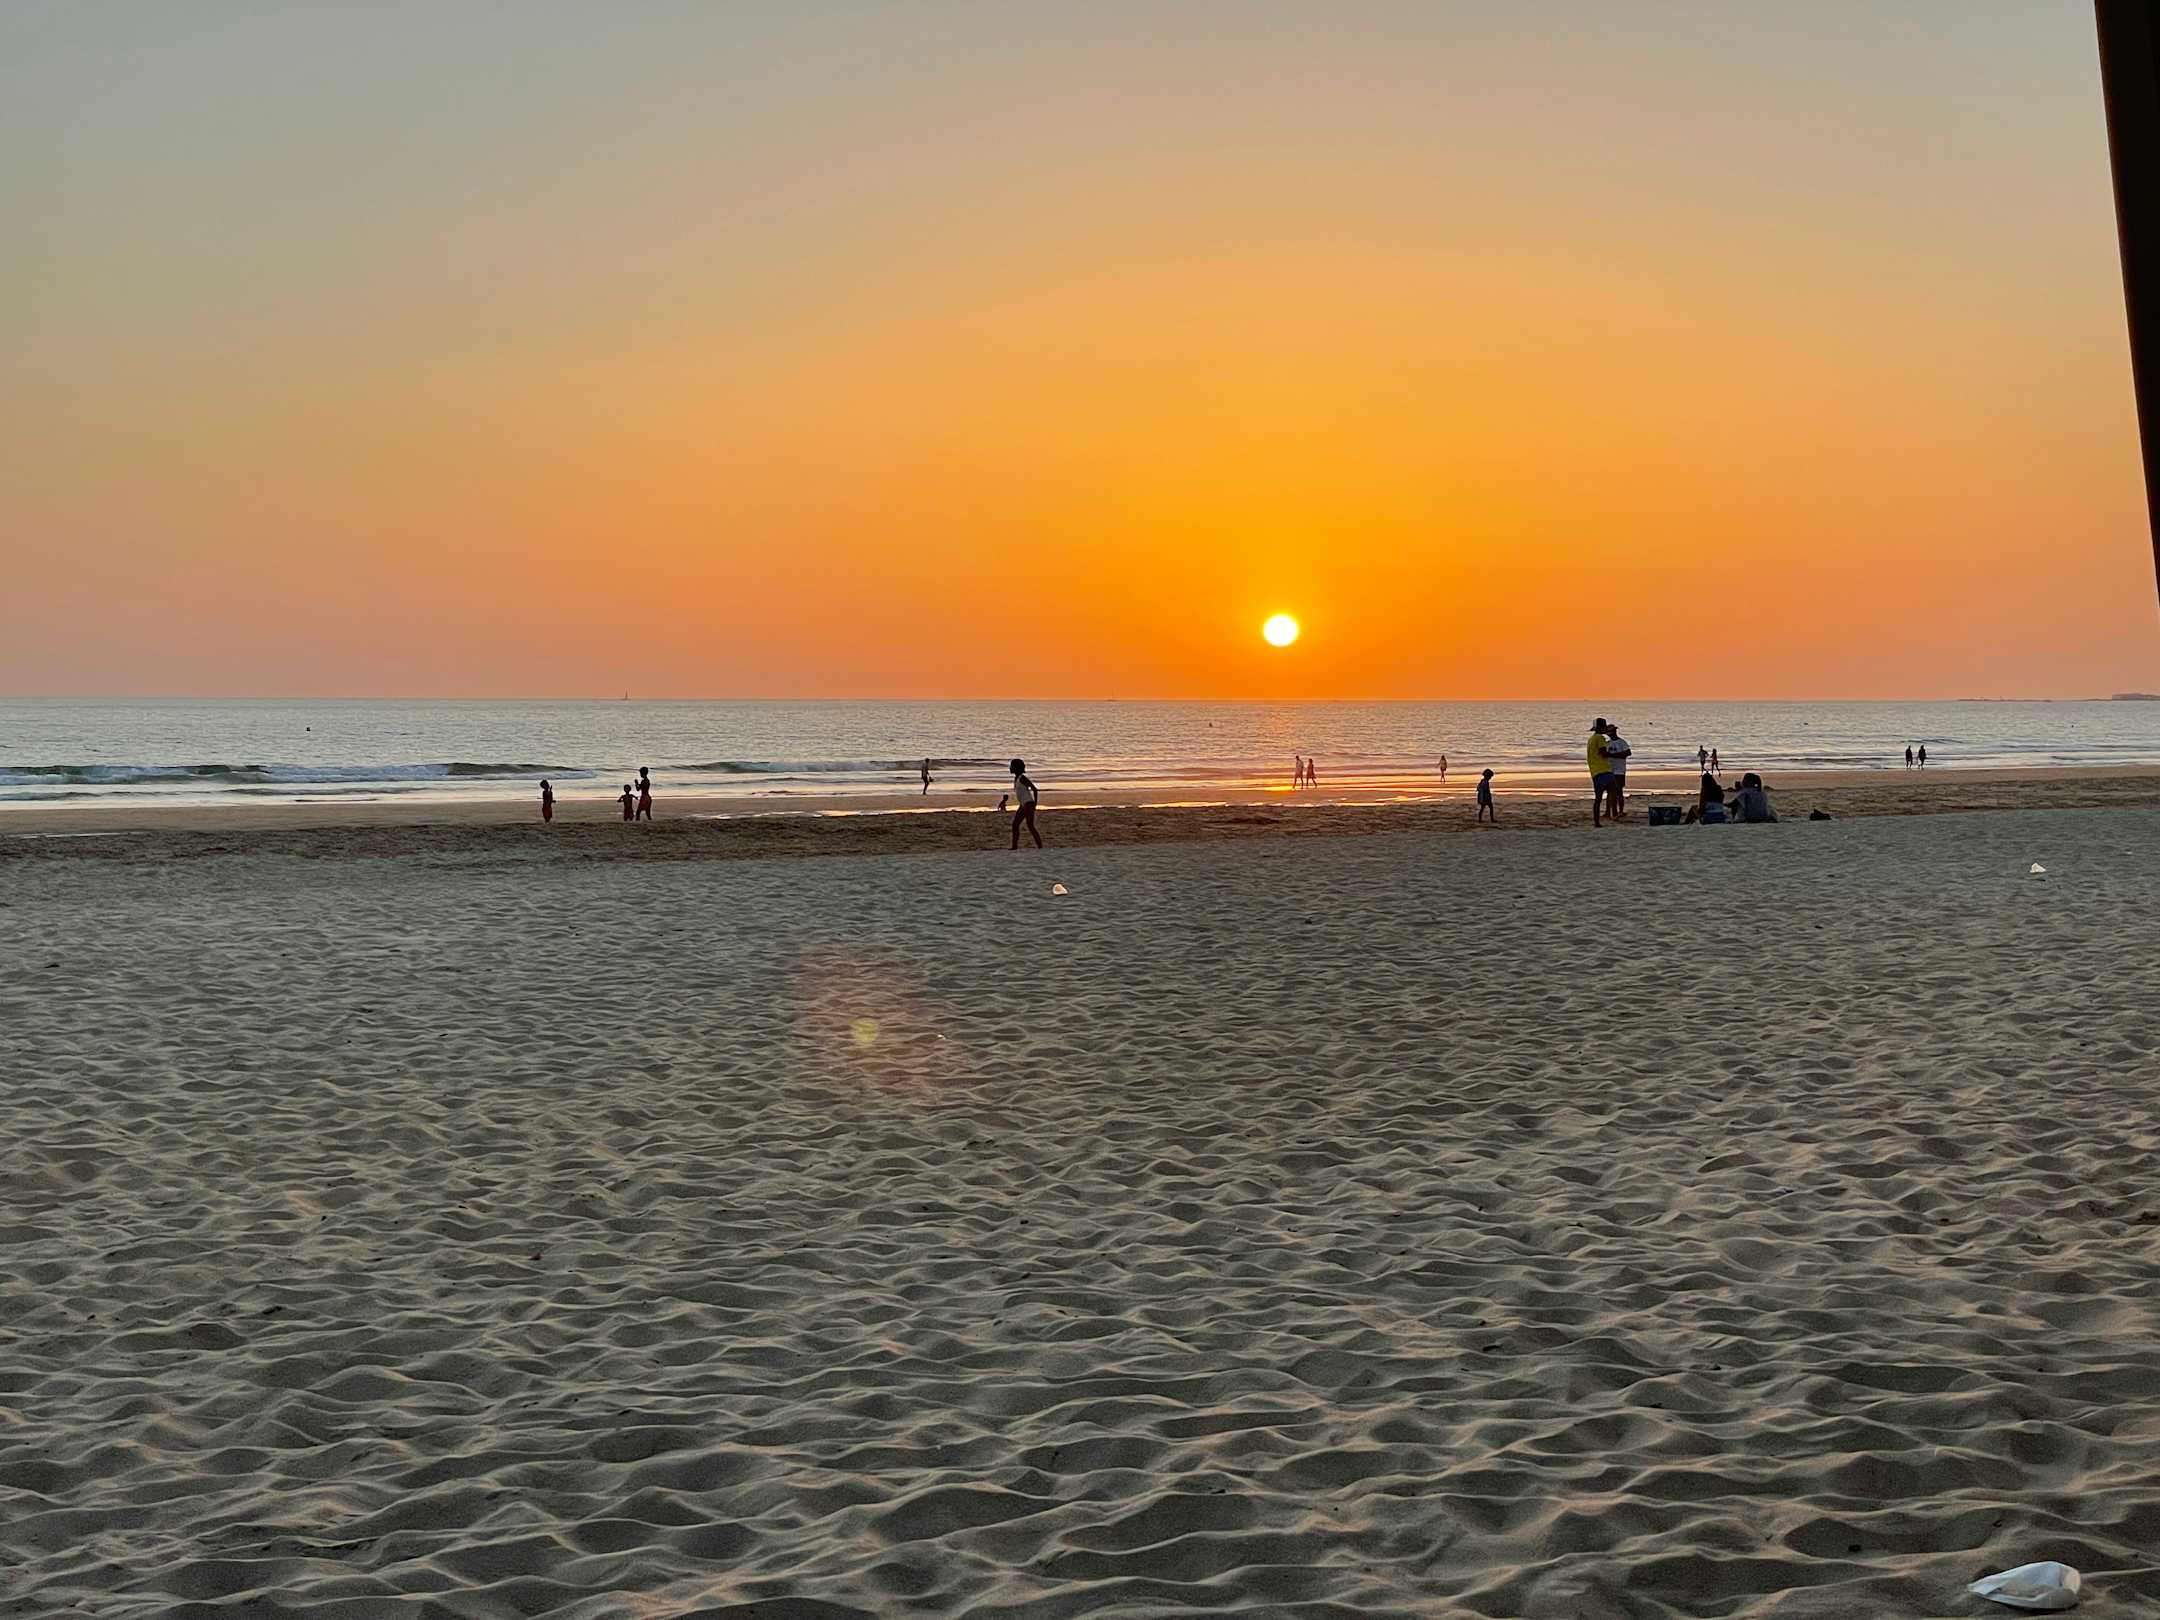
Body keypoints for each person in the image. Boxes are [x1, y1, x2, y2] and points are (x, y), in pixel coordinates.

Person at [1000, 757, 1042, 849]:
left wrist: (1035, 804)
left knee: (1030, 826)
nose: (1010, 768)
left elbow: (1035, 789)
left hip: (1028, 804)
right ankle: (1014, 846)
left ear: (1016, 768)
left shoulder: (1022, 778)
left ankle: (1040, 847)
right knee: (1015, 825)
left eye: (1011, 766)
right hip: (1023, 804)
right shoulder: (1016, 778)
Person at [1603, 721, 1632, 821]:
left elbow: (1627, 753)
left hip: (1619, 770)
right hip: (1609, 769)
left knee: (1619, 791)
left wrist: (1612, 755)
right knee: (1609, 791)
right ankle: (1608, 811)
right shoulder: (1607, 743)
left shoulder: (1621, 742)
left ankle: (1620, 811)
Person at [1587, 718, 1613, 826]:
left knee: (1598, 798)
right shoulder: (1600, 738)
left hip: (1595, 771)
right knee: (1614, 791)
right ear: (1601, 728)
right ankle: (1610, 813)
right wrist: (1617, 754)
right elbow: (1603, 753)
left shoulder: (1591, 739)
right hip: (1604, 770)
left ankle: (1597, 822)